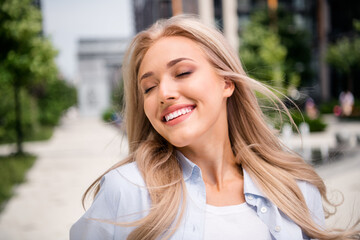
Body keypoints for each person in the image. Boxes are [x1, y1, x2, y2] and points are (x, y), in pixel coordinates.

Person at [70, 15, 359, 240]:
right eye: (149, 87)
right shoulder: (126, 191)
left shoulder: (295, 189)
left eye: (182, 72)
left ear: (227, 82)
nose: (164, 93)